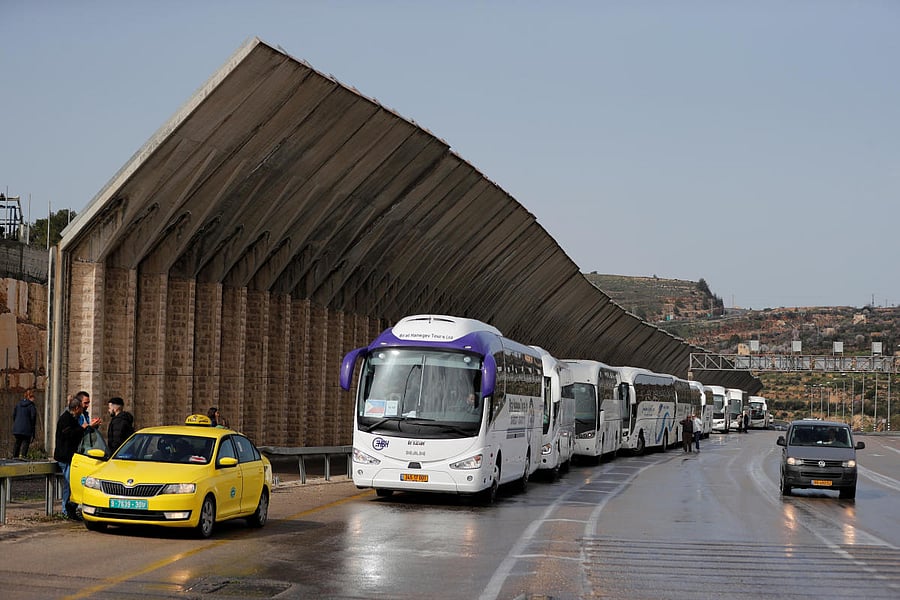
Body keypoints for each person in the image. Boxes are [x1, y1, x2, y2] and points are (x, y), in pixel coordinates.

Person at [54, 396, 85, 518]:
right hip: (65, 457)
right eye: (81, 407)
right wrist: (82, 429)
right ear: (77, 408)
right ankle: (66, 510)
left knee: (71, 483)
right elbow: (68, 435)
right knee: (69, 483)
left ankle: (69, 509)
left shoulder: (72, 418)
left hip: (69, 456)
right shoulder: (66, 419)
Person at [12, 388, 38, 459]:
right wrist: (33, 430)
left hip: (17, 427)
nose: (34, 399)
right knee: (26, 442)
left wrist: (16, 423)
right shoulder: (31, 406)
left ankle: (15, 456)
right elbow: (33, 418)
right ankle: (23, 455)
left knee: (18, 442)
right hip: (27, 428)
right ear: (30, 397)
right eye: (33, 397)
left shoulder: (18, 404)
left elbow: (14, 415)